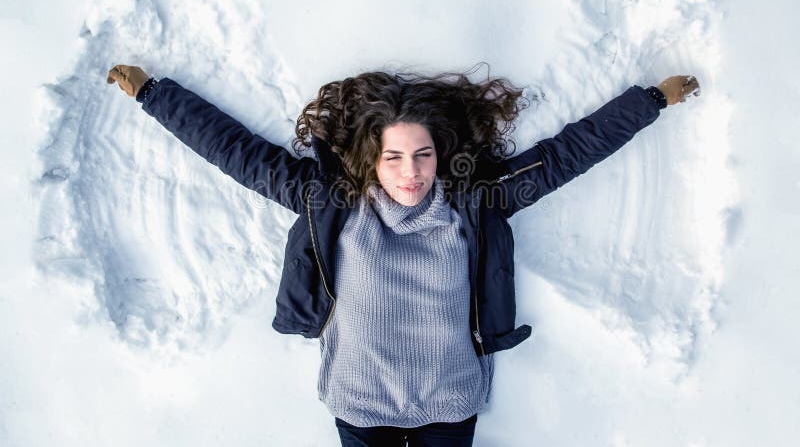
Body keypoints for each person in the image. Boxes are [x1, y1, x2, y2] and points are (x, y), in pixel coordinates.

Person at [107, 63, 700, 446]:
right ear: (373, 158)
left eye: (421, 155)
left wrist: (648, 101)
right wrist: (155, 95)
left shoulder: (477, 199)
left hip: (449, 402)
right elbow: (237, 151)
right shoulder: (331, 201)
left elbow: (566, 153)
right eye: (394, 158)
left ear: (439, 154)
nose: (409, 172)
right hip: (360, 406)